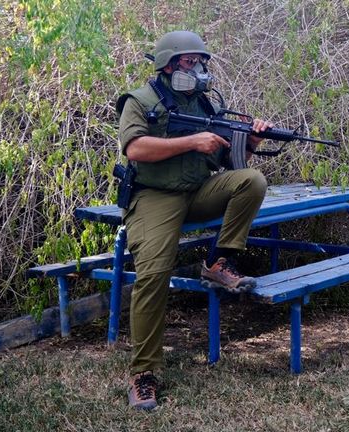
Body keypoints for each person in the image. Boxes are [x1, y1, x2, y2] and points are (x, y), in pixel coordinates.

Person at [115, 30, 271, 410]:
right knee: (153, 273)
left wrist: (249, 141)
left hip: (197, 192)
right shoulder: (140, 100)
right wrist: (191, 141)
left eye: (201, 61)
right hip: (154, 196)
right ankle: (143, 374)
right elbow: (135, 148)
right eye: (189, 61)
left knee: (251, 181)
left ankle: (219, 261)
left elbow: (228, 164)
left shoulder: (205, 105)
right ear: (168, 65)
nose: (198, 68)